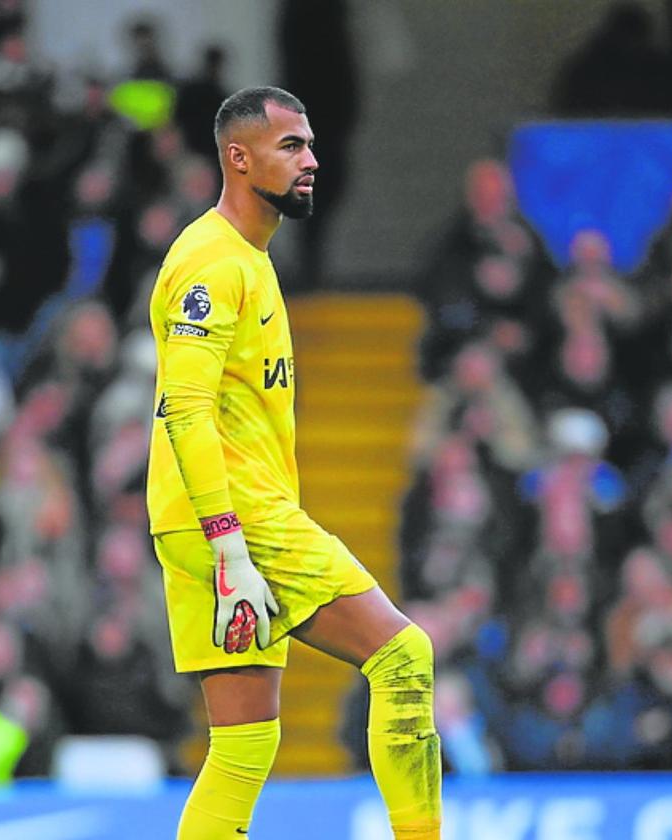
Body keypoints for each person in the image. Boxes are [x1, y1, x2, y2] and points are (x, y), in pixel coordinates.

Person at [146, 86, 441, 839]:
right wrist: (229, 545)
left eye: (310, 144)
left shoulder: (246, 256)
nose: (312, 160)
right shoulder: (214, 265)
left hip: (209, 520)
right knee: (404, 657)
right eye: (291, 147)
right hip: (235, 518)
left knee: (244, 745)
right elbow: (185, 407)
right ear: (238, 159)